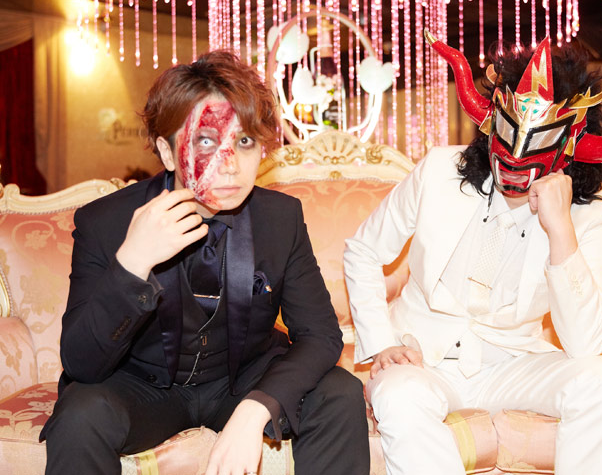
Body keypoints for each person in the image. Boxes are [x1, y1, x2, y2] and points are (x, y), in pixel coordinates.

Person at [344, 34, 602, 475]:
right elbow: (363, 250)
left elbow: (587, 345)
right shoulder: (437, 171)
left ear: (567, 148)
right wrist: (381, 343)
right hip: (422, 358)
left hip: (515, 364)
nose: (514, 161)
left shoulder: (589, 214)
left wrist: (561, 230)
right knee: (397, 396)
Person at [41, 50, 370, 475]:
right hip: (141, 387)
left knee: (339, 392)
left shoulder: (280, 218)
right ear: (167, 152)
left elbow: (320, 335)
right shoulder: (105, 222)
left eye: (244, 141)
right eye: (206, 141)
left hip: (242, 381)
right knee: (80, 415)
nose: (229, 165)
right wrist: (133, 262)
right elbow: (81, 363)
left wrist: (257, 408)